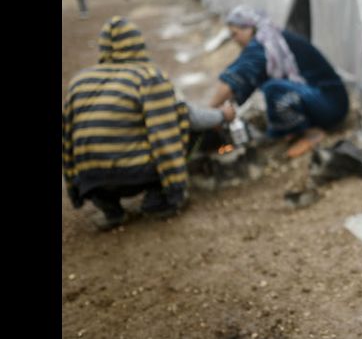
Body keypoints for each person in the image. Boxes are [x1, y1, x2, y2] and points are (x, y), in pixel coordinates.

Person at [62, 16, 235, 231]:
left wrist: (74, 187)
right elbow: (180, 123)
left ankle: (111, 210)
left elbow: (66, 140)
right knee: (174, 124)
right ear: (138, 45)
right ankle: (159, 200)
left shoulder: (79, 82)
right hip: (133, 174)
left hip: (89, 179)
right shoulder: (148, 77)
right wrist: (222, 115)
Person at [210, 6, 349, 157]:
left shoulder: (264, 45)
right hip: (327, 101)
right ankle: (298, 129)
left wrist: (210, 113)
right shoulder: (272, 40)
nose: (234, 40)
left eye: (235, 34)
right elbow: (243, 81)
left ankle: (311, 134)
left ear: (249, 29)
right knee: (270, 91)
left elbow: (235, 79)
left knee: (273, 89)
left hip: (331, 104)